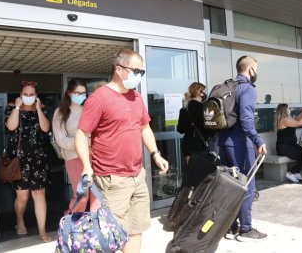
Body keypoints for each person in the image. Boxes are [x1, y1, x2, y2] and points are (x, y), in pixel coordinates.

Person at [75, 49, 169, 253]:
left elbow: (144, 128)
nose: (139, 76)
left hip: (137, 175)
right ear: (119, 69)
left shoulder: (136, 97)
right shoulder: (99, 98)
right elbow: (82, 134)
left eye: (142, 72)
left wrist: (155, 153)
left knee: (136, 230)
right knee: (112, 235)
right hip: (112, 179)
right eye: (137, 71)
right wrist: (86, 167)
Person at [218, 56, 267, 241]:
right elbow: (247, 121)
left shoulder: (227, 88)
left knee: (229, 186)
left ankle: (230, 228)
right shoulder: (247, 88)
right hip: (240, 144)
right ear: (251, 70)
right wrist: (257, 140)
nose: (257, 73)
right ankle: (245, 230)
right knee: (246, 186)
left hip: (223, 143)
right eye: (256, 69)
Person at [4, 81, 52, 242]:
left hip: (39, 159)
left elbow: (46, 128)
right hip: (19, 159)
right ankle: (19, 220)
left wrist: (38, 108)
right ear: (20, 94)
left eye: (32, 94)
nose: (29, 97)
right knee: (23, 197)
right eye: (26, 94)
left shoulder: (42, 108)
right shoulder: (12, 107)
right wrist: (17, 108)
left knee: (39, 194)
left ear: (36, 96)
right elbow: (11, 127)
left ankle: (42, 230)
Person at [52, 78, 100, 214]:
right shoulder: (60, 112)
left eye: (83, 93)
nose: (81, 96)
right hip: (73, 158)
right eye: (77, 93)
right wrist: (84, 143)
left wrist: (85, 141)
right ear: (69, 93)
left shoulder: (90, 109)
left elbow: (97, 134)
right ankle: (73, 222)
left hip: (94, 156)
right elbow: (61, 140)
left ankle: (96, 227)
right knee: (81, 195)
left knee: (96, 196)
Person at [274, 104, 302, 183]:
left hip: (290, 145)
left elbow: (296, 119)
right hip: (284, 147)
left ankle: (296, 172)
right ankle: (291, 172)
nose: (289, 109)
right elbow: (298, 123)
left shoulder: (287, 119)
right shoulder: (284, 120)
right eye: (288, 108)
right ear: (285, 110)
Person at [177, 82, 209, 163]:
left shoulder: (184, 109)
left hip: (187, 145)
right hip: (198, 145)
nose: (205, 94)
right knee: (201, 172)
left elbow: (180, 129)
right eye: (203, 91)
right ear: (199, 92)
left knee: (191, 172)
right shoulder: (202, 108)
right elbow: (209, 127)